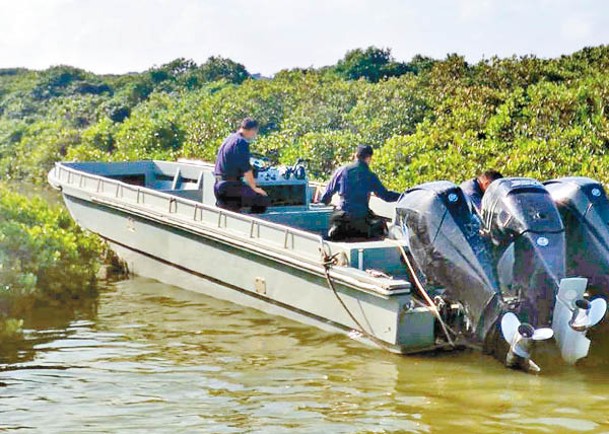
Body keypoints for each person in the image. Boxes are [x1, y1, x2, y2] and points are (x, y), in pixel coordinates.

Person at [318, 145, 401, 241]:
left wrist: (322, 205)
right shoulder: (370, 175)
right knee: (381, 225)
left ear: (355, 155)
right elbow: (386, 196)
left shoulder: (341, 171)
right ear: (369, 158)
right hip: (362, 224)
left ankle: (335, 231)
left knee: (334, 218)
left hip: (342, 222)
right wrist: (403, 196)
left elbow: (327, 195)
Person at [214, 118, 270, 213]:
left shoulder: (230, 138)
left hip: (218, 186)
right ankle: (255, 225)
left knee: (240, 199)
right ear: (252, 130)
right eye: (255, 132)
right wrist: (255, 187)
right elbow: (246, 168)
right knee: (261, 199)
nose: (255, 135)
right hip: (229, 188)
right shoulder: (241, 143)